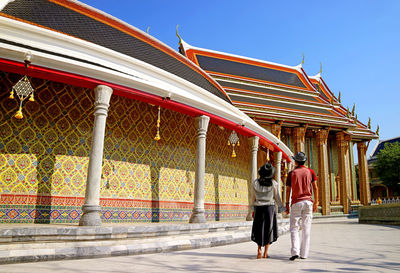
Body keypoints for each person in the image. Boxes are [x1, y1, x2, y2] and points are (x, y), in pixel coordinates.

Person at [285, 152, 318, 261]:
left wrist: (287, 204)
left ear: (295, 161)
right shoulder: (310, 172)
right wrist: (316, 202)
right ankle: (304, 254)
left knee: (294, 227)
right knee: (306, 228)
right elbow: (315, 188)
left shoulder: (291, 173)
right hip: (308, 202)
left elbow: (288, 190)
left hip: (296, 202)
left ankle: (295, 251)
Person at [251, 163, 285, 259]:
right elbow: (277, 198)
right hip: (269, 209)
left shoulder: (255, 183)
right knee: (268, 230)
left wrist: (251, 210)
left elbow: (252, 197)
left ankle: (259, 250)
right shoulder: (274, 184)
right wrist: (282, 208)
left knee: (258, 229)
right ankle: (265, 253)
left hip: (258, 208)